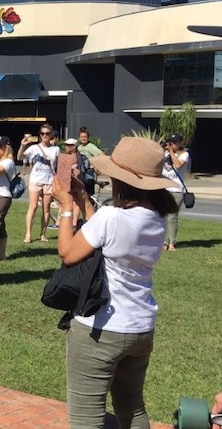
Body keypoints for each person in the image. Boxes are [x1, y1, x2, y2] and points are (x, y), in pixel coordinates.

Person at [52, 136, 178, 428]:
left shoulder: (111, 217)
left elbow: (68, 253)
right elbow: (108, 237)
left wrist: (66, 206)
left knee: (87, 417)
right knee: (132, 408)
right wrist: (84, 201)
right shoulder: (156, 219)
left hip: (102, 328)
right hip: (140, 326)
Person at [17, 124, 59, 243]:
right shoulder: (34, 148)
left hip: (49, 180)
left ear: (51, 134)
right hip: (36, 180)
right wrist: (22, 145)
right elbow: (20, 158)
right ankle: (28, 234)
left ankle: (43, 234)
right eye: (42, 133)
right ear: (40, 135)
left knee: (46, 209)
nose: (45, 136)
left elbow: (58, 166)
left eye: (47, 133)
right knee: (33, 206)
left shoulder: (55, 149)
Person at [160, 133, 190, 251]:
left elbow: (177, 165)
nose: (171, 145)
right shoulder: (165, 154)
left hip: (176, 189)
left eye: (174, 143)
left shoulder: (184, 154)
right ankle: (162, 242)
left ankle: (171, 243)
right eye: (170, 142)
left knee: (172, 216)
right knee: (161, 215)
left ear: (180, 143)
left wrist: (171, 152)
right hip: (163, 188)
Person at [77, 127, 102, 197]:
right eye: (82, 137)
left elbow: (102, 155)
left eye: (85, 137)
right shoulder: (79, 147)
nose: (83, 138)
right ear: (79, 138)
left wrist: (95, 165)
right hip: (82, 175)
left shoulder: (90, 146)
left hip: (89, 176)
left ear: (88, 138)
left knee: (89, 196)